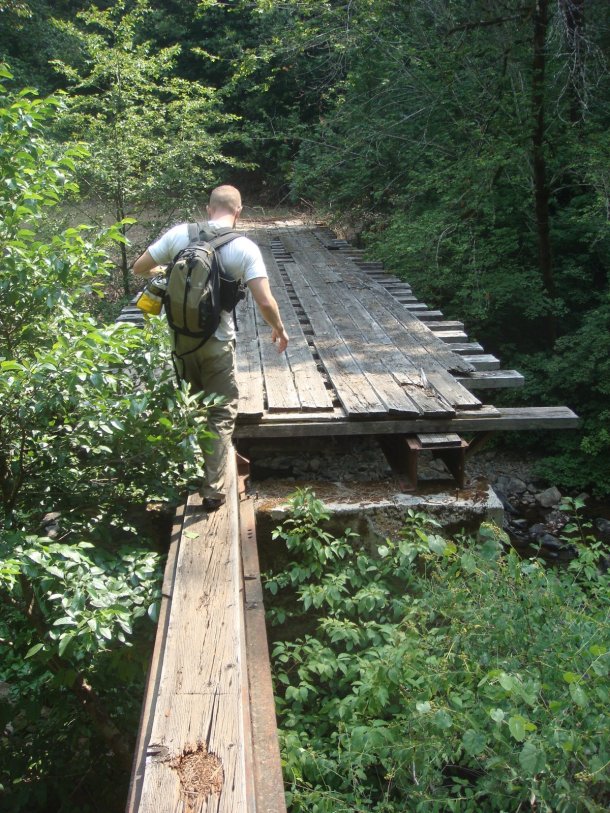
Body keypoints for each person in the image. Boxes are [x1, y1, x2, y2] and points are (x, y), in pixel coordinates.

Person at [134, 184, 288, 510]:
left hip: (180, 340)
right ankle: (213, 491)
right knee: (220, 411)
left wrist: (168, 271)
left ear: (208, 208)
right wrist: (278, 327)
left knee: (189, 404)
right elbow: (264, 300)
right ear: (239, 212)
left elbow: (139, 267)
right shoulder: (243, 247)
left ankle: (182, 472)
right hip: (217, 342)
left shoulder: (179, 234)